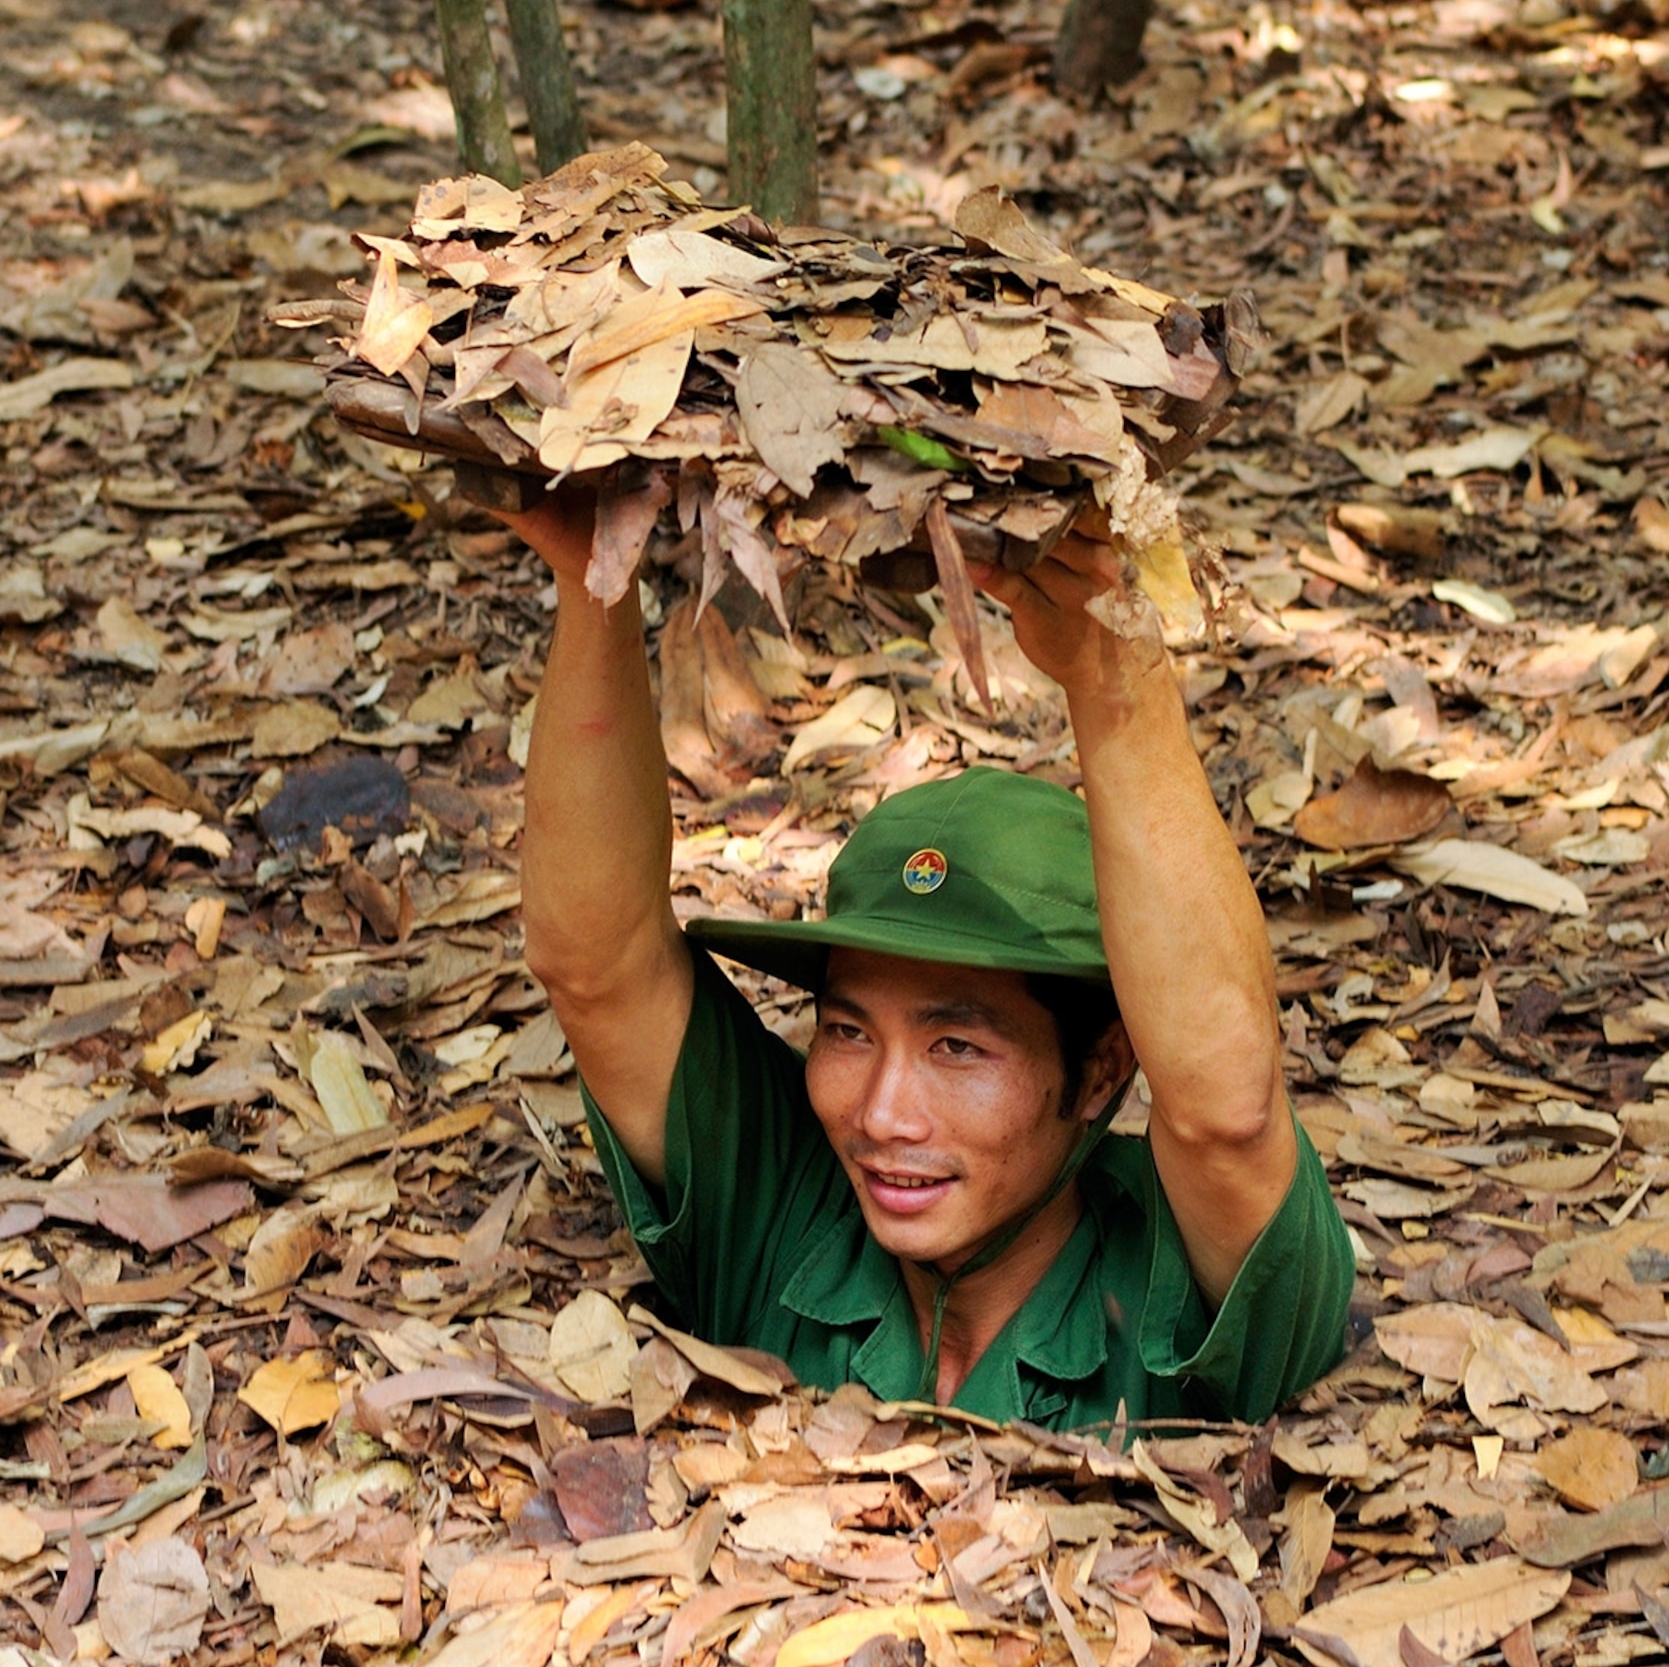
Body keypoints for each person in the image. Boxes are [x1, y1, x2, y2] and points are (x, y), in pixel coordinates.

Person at [505, 489, 1354, 1430]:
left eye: (957, 1046)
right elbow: (596, 966)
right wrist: (594, 576)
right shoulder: (785, 1206)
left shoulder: (1182, 1275)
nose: (880, 1114)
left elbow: (1227, 1113)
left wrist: (1119, 683)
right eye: (847, 1030)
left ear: (1100, 1067)